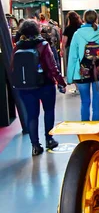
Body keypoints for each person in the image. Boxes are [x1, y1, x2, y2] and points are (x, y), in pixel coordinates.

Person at [12, 19, 66, 156]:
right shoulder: (43, 45)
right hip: (45, 84)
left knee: (32, 116)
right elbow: (52, 67)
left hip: (25, 87)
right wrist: (60, 82)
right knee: (48, 111)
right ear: (37, 30)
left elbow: (13, 67)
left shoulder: (17, 46)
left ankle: (35, 146)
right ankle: (49, 140)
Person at [67, 10, 99, 121]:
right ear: (96, 19)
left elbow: (73, 57)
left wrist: (70, 77)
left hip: (82, 72)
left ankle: (85, 131)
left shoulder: (77, 34)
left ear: (84, 19)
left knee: (85, 103)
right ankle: (96, 132)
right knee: (97, 105)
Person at [61, 11, 82, 87]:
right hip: (81, 48)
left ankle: (76, 84)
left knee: (72, 65)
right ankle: (81, 82)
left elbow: (64, 41)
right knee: (80, 64)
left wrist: (62, 50)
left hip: (70, 49)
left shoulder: (68, 29)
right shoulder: (81, 27)